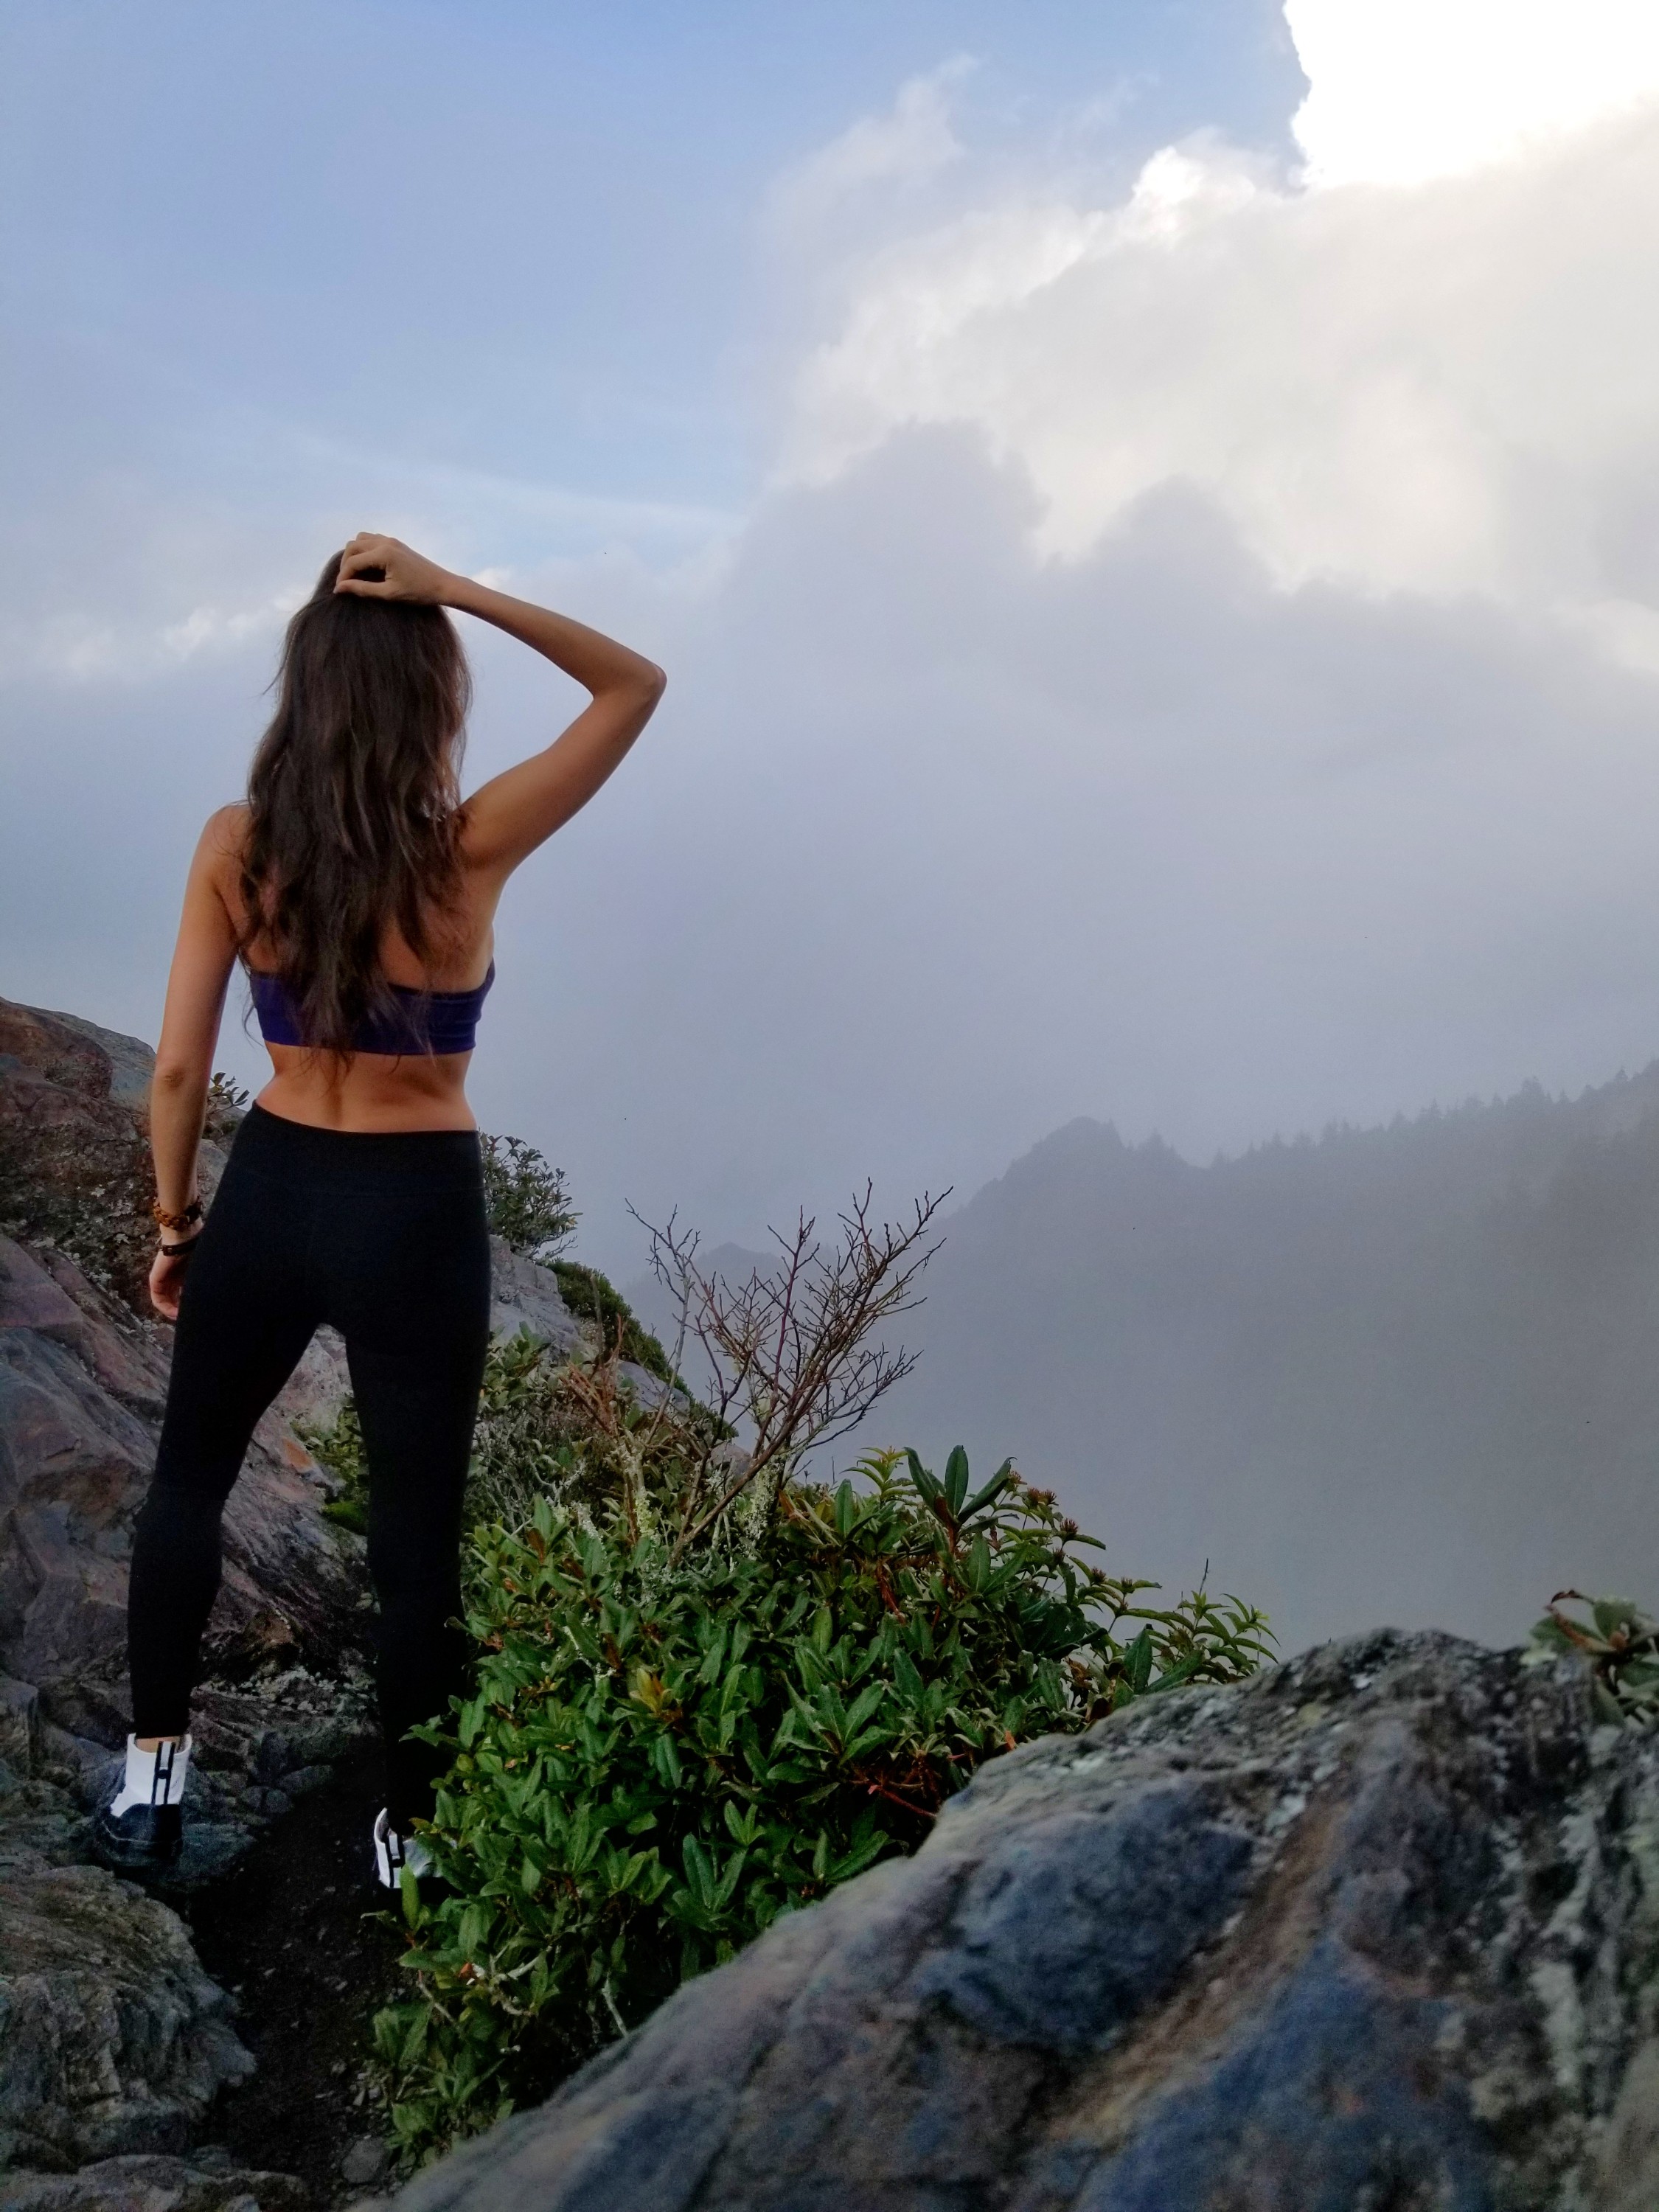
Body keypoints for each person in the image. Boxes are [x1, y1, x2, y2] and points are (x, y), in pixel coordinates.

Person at [91, 534, 664, 1885]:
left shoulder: (239, 848)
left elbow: (177, 1068)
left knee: (188, 1485)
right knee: (417, 1546)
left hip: (276, 1187)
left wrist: (178, 1228)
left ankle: (153, 1786)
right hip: (416, 1211)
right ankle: (407, 1836)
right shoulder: (469, 849)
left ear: (304, 693)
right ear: (431, 703)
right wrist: (453, 591)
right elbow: (632, 686)